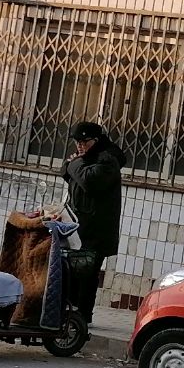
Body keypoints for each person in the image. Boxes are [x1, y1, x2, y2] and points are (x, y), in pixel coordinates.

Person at [61, 121, 125, 322]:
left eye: (84, 142)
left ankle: (82, 317)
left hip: (96, 230)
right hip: (79, 227)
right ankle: (70, 314)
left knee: (87, 274)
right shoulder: (87, 157)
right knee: (73, 271)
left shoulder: (107, 159)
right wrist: (73, 165)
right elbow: (65, 171)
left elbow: (89, 181)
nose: (79, 146)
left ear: (96, 141)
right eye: (77, 142)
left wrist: (74, 164)